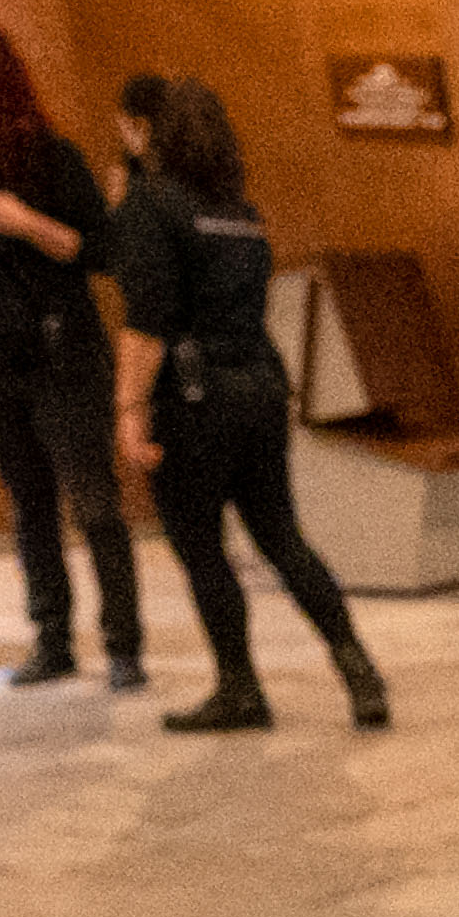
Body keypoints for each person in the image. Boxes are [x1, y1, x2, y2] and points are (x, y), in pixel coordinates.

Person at [96, 76, 383, 737]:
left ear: (147, 132)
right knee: (281, 537)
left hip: (194, 399)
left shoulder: (152, 204)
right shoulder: (238, 211)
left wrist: (129, 411)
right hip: (259, 387)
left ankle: (239, 687)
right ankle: (358, 669)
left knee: (202, 548)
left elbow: (147, 322)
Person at [0, 9, 140, 691]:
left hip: (61, 348)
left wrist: (24, 222)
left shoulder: (48, 153)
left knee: (93, 501)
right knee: (28, 501)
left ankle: (123, 643)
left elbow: (100, 251)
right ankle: (52, 638)